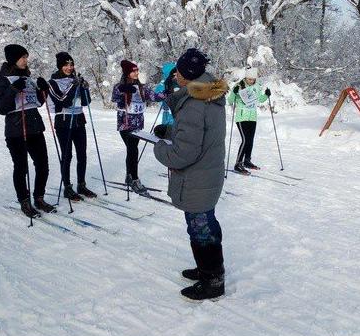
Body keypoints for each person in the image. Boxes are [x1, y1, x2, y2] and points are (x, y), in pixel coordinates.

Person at [152, 48, 229, 301]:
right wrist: (171, 132)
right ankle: (207, 269)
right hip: (207, 174)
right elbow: (197, 133)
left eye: (178, 72)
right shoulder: (207, 94)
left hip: (197, 177)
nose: (176, 77)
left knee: (201, 229)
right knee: (204, 224)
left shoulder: (194, 103)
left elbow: (184, 153)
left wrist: (160, 148)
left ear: (185, 75)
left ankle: (213, 281)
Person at [0, 44, 55, 218]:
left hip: (35, 127)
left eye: (26, 57)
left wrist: (44, 90)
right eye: (22, 57)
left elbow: (37, 101)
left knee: (43, 165)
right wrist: (13, 89)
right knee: (21, 167)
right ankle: (24, 201)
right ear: (13, 59)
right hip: (16, 130)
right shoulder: (3, 80)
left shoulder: (29, 78)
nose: (25, 60)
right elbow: (1, 107)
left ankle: (39, 198)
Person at [111, 59, 165, 195]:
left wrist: (167, 93)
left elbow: (154, 96)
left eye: (137, 70)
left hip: (137, 125)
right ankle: (134, 179)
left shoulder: (141, 87)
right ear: (127, 72)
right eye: (133, 71)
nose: (136, 73)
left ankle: (130, 176)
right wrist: (122, 91)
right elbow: (115, 98)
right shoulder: (119, 86)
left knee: (132, 151)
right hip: (125, 124)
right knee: (133, 150)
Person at [47, 52, 96, 200]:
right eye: (66, 64)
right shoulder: (53, 82)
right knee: (67, 155)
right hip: (63, 122)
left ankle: (81, 184)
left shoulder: (76, 80)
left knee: (82, 154)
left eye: (71, 64)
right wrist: (74, 86)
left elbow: (86, 101)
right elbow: (63, 101)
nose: (69, 67)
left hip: (79, 120)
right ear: (60, 66)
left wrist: (85, 88)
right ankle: (67, 187)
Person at [227, 66, 271, 174]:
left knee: (250, 140)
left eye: (253, 79)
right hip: (241, 117)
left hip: (252, 117)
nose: (251, 81)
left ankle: (247, 160)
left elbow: (259, 100)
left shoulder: (257, 86)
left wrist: (266, 95)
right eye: (249, 79)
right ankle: (238, 164)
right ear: (246, 78)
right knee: (245, 140)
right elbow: (230, 101)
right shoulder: (239, 86)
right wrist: (234, 92)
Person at [154, 62, 178, 127]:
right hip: (168, 108)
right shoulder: (165, 83)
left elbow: (156, 93)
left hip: (171, 109)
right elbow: (156, 94)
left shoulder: (167, 83)